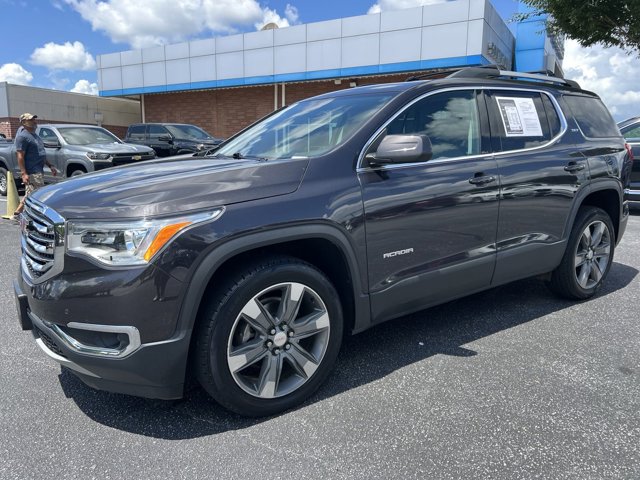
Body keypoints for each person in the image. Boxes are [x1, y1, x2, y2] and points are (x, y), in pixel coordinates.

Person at [13, 113, 57, 217]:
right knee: (36, 195)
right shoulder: (22, 137)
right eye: (31, 120)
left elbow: (40, 153)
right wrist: (24, 173)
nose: (34, 121)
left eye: (34, 119)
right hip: (32, 171)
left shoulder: (35, 136)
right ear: (23, 123)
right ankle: (29, 215)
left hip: (39, 170)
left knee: (31, 194)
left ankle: (18, 212)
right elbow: (20, 156)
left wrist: (50, 166)